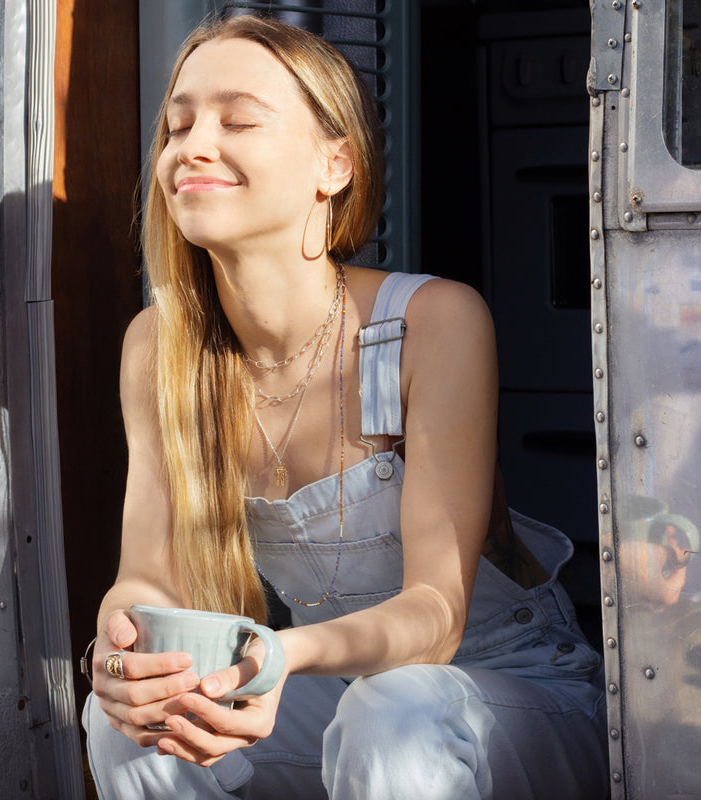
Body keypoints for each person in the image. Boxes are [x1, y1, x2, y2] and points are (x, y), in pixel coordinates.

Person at [82, 14, 608, 800]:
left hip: (515, 696)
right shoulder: (159, 347)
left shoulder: (433, 321)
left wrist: (286, 655)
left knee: (393, 705)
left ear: (335, 164)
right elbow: (143, 578)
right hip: (343, 695)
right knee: (126, 724)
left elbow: (436, 614)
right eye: (177, 123)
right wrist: (119, 653)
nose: (190, 145)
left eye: (237, 119)